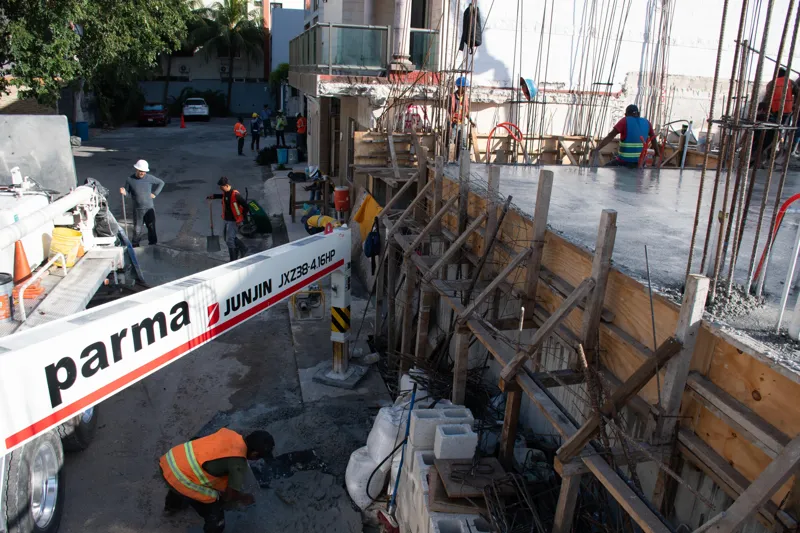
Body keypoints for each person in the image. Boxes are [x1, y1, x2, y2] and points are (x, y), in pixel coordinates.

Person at [160, 428, 274, 533]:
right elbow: (229, 495)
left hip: (171, 459)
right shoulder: (238, 464)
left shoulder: (230, 434)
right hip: (179, 478)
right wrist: (243, 497)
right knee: (216, 513)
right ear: (254, 454)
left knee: (186, 476)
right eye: (259, 457)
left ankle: (171, 507)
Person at [594, 104, 662, 168]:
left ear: (626, 114)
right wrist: (657, 154)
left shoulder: (624, 121)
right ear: (638, 114)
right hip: (640, 162)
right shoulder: (647, 122)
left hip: (624, 161)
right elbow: (653, 139)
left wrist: (597, 149)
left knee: (605, 169)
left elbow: (610, 136)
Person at [119, 159, 164, 247]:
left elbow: (161, 183)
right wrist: (124, 193)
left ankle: (153, 244)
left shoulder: (149, 178)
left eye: (144, 172)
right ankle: (135, 245)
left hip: (149, 208)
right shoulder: (130, 180)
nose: (142, 173)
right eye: (141, 171)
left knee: (151, 227)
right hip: (137, 209)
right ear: (137, 169)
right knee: (137, 229)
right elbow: (128, 194)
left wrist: (155, 194)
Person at [206, 177, 249, 261]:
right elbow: (223, 197)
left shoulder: (236, 195)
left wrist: (241, 218)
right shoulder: (225, 193)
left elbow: (246, 207)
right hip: (226, 219)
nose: (220, 188)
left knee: (230, 240)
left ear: (226, 185)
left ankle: (233, 259)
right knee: (227, 238)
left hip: (234, 220)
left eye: (221, 187)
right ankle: (242, 248)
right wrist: (214, 196)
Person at [449, 77, 472, 161]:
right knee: (451, 142)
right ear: (460, 87)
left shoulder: (465, 97)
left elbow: (466, 112)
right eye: (465, 87)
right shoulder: (452, 97)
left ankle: (462, 161)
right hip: (454, 123)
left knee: (463, 143)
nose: (466, 89)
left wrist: (471, 121)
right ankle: (450, 160)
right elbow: (449, 112)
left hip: (462, 123)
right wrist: (451, 121)